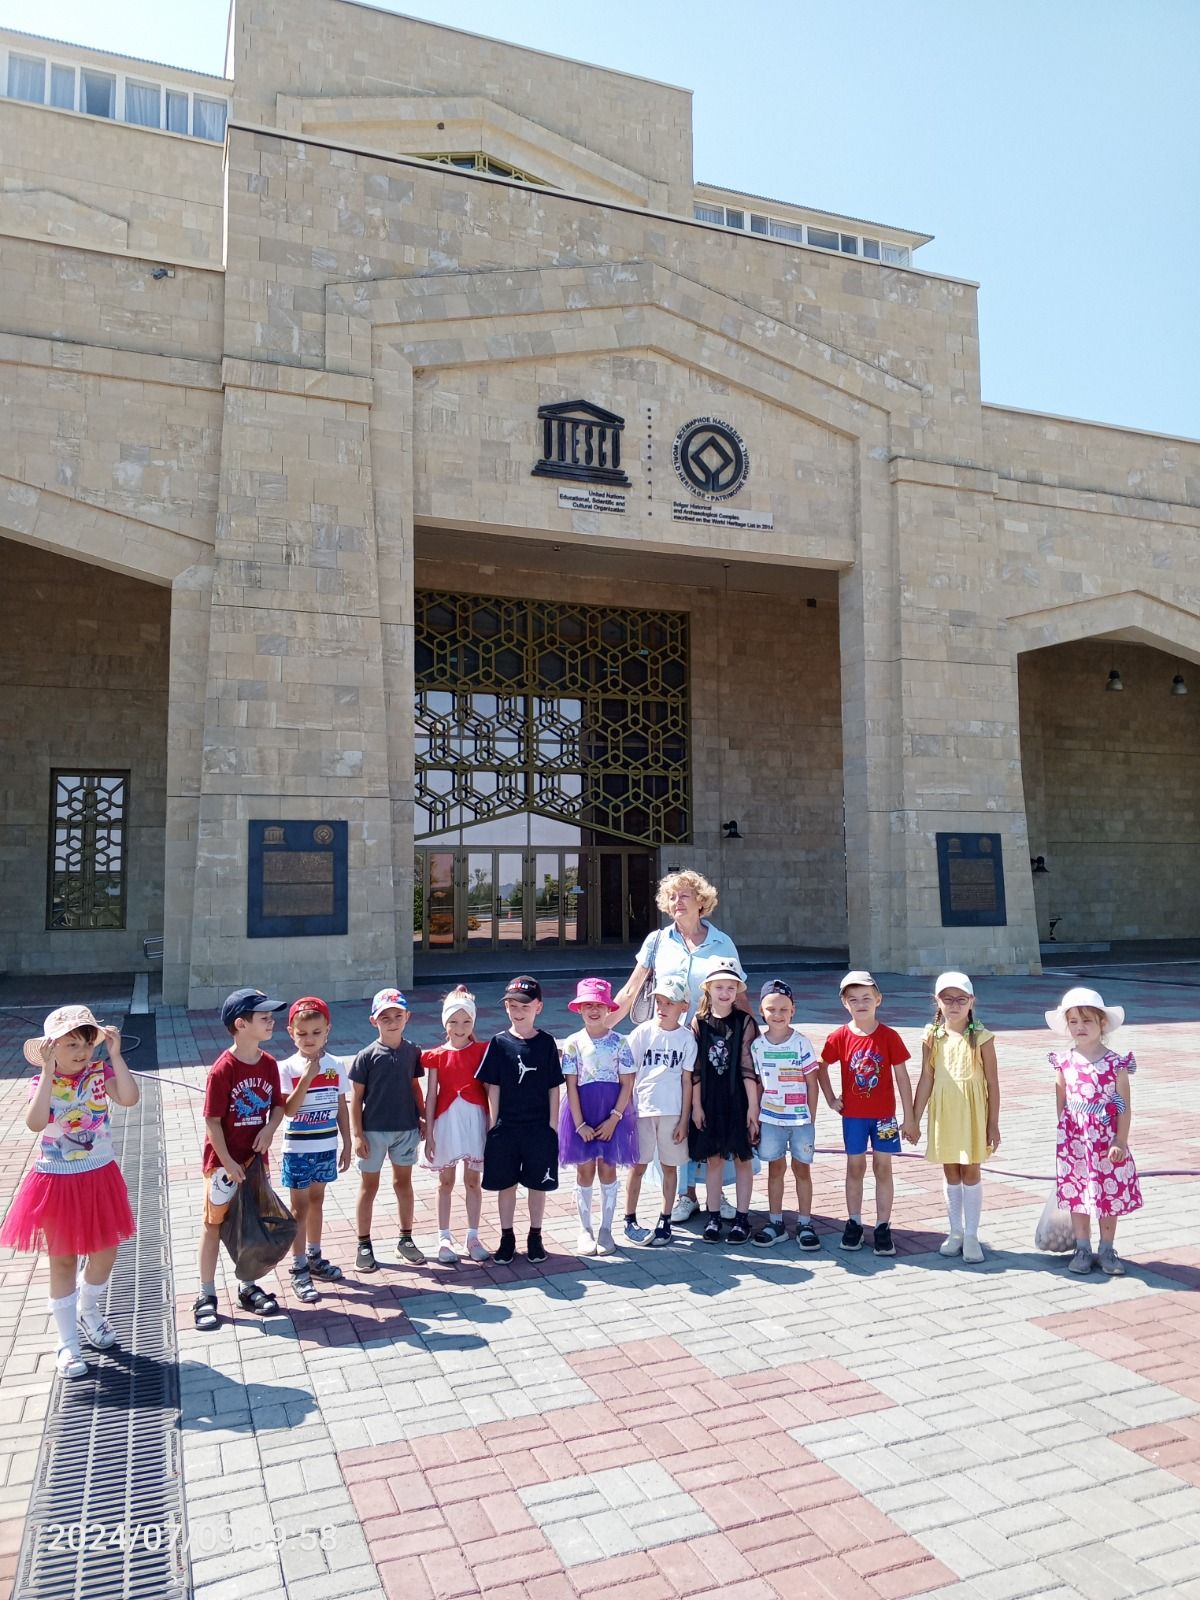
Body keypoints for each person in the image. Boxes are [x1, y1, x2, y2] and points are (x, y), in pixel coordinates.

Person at [2, 1006, 138, 1376]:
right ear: (51, 1048)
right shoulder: (39, 1082)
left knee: (105, 1253)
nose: (81, 1052)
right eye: (71, 1044)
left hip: (99, 1174)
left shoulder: (100, 1072)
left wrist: (115, 1054)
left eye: (87, 1042)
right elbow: (34, 1124)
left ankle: (88, 1309)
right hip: (56, 1180)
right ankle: (67, 1342)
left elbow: (128, 1098)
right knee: (61, 1259)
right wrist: (47, 1073)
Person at [612, 869, 745, 1224]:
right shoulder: (657, 941)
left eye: (684, 895)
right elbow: (630, 990)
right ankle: (686, 1195)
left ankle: (718, 1191)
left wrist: (753, 1041)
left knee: (712, 1114)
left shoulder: (722, 943)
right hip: (669, 1050)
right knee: (678, 1117)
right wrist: (601, 1031)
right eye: (671, 897)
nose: (677, 902)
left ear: (702, 902)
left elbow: (738, 993)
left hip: (713, 1043)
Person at [194, 988, 289, 1331]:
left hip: (254, 1164)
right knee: (214, 1225)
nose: (271, 1021)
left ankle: (248, 1286)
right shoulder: (223, 1069)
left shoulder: (268, 1064)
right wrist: (227, 1162)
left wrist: (270, 1129)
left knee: (251, 1225)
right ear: (241, 1024)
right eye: (263, 1016)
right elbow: (212, 1121)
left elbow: (278, 1105)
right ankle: (205, 1293)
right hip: (222, 1167)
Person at [1046, 985, 1141, 1276]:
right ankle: (1082, 1246)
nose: (1080, 1027)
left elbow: (1122, 1105)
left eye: (1087, 1020)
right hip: (1075, 1143)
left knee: (1107, 1193)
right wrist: (1066, 1136)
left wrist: (1120, 1140)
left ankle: (1107, 1247)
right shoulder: (1064, 1061)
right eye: (1073, 1021)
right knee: (1077, 1194)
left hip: (1105, 1142)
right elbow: (1061, 1102)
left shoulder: (1116, 1064)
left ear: (1102, 1024)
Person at [821, 971, 916, 1257]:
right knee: (855, 1167)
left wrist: (909, 1117)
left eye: (866, 998)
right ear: (844, 1004)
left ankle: (883, 1225)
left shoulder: (889, 1036)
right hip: (854, 1117)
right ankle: (854, 1222)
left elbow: (902, 1078)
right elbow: (820, 1066)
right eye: (853, 999)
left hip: (884, 1117)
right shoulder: (839, 1036)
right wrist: (830, 1099)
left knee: (883, 1168)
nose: (861, 1004)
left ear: (878, 999)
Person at [913, 972, 1000, 1264]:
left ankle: (973, 1234)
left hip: (973, 1113)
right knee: (951, 1170)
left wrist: (993, 1123)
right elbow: (926, 1076)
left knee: (971, 1170)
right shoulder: (932, 1036)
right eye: (947, 999)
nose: (954, 1005)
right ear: (937, 1001)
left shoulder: (982, 1037)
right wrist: (913, 1117)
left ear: (971, 1001)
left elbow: (992, 1083)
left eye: (961, 999)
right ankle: (956, 1232)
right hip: (945, 1112)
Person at [477, 975, 564, 1265]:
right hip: (507, 1128)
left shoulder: (547, 1043)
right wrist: (493, 1125)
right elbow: (493, 1086)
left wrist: (552, 1126)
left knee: (538, 1185)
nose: (518, 1011)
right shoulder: (499, 1043)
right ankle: (506, 1237)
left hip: (539, 1128)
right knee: (506, 1185)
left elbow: (554, 1086)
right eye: (512, 1005)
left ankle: (535, 1235)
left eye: (524, 1006)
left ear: (538, 1007)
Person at [278, 996, 352, 1303]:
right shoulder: (287, 1067)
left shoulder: (336, 1066)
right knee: (299, 1208)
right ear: (291, 1032)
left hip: (325, 1145)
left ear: (328, 1031)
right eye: (303, 1033)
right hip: (298, 1149)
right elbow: (289, 1110)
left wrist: (348, 1142)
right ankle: (298, 1267)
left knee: (318, 1200)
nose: (310, 1039)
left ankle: (314, 1255)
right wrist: (307, 1077)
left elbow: (341, 1105)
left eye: (316, 1032)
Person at [750, 980, 834, 1251]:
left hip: (799, 1121)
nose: (778, 1014)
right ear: (761, 1011)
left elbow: (812, 1081)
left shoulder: (802, 1043)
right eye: (771, 1009)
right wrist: (755, 1116)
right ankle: (776, 1222)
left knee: (802, 1169)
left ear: (793, 1010)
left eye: (784, 1009)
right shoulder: (757, 1046)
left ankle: (805, 1222)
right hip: (771, 1119)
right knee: (775, 1169)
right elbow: (758, 1083)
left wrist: (811, 1116)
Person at [559, 978, 638, 1257]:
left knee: (607, 1167)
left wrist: (615, 1118)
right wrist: (579, 1123)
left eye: (599, 1005)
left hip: (612, 1112)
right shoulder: (572, 1043)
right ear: (579, 1009)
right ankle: (585, 1229)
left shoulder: (620, 1042)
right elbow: (570, 1085)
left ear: (608, 1008)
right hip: (582, 1112)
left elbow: (627, 1083)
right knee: (585, 1169)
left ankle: (606, 1229)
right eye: (588, 1005)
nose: (594, 1010)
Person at [349, 988, 426, 1273]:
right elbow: (356, 1098)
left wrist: (423, 1117)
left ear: (407, 1017)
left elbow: (415, 1087)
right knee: (369, 1186)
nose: (392, 1021)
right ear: (374, 1021)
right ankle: (364, 1243)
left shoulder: (412, 1051)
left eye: (397, 1015)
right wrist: (357, 1135)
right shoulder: (366, 1056)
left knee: (403, 1184)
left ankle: (405, 1238)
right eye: (385, 1017)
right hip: (374, 1132)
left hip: (406, 1128)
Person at [623, 974, 696, 1246]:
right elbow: (628, 1075)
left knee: (669, 1167)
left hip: (673, 1113)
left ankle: (665, 1218)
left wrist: (684, 1121)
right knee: (638, 1166)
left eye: (670, 1003)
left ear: (684, 1007)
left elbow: (687, 1082)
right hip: (642, 1111)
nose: (663, 1008)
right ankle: (629, 1218)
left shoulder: (687, 1040)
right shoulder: (642, 1033)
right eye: (659, 1002)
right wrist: (626, 1111)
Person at [690, 962, 760, 1244]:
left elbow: (747, 1067)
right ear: (708, 989)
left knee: (743, 1158)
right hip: (709, 1099)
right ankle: (714, 1215)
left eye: (731, 988)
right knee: (714, 1160)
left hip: (738, 1100)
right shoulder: (699, 1022)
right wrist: (696, 1105)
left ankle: (742, 1218)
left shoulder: (744, 1022)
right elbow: (693, 1069)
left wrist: (753, 1108)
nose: (725, 992)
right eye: (719, 987)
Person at [422, 985, 491, 1265]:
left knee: (473, 1180)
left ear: (473, 1022)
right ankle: (443, 1236)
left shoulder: (483, 1051)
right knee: (446, 1180)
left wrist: (491, 1126)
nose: (460, 1028)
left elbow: (489, 1090)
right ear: (445, 1023)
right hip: (447, 1120)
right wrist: (428, 1134)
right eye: (453, 1021)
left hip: (474, 1119)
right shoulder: (437, 1055)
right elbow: (431, 1095)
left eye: (466, 1022)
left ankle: (472, 1235)